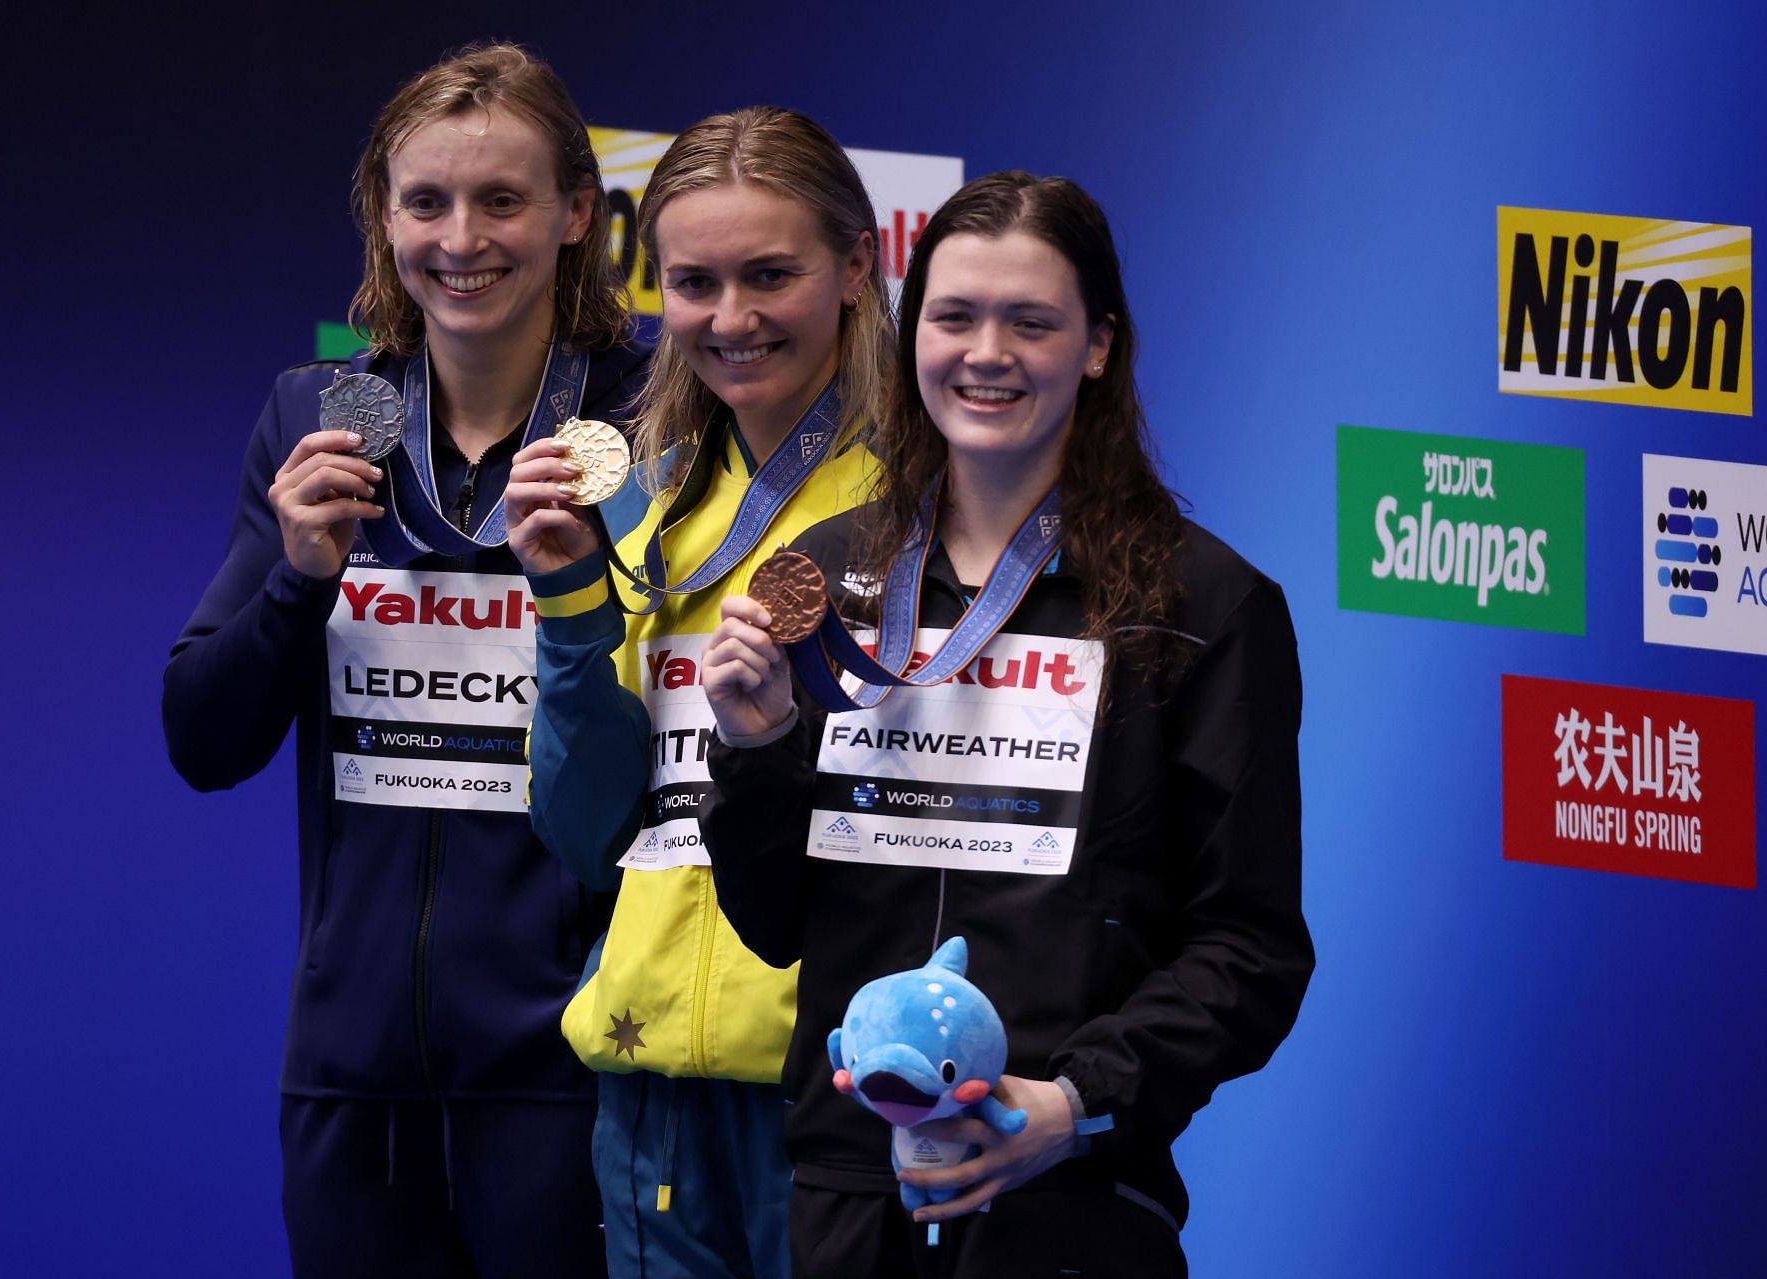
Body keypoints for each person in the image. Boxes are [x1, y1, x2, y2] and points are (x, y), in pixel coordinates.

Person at [696, 171, 1315, 1278]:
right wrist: (750, 748)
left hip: (1067, 1193)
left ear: (1097, 348)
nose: (987, 353)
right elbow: (773, 921)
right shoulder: (828, 578)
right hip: (848, 1187)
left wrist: (1073, 1101)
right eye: (954, 316)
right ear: (909, 333)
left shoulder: (1201, 609)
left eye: (1032, 322)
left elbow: (1251, 948)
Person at [161, 44, 648, 1278]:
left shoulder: (651, 420)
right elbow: (203, 738)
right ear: (385, 213)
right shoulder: (325, 416)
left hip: (576, 1059)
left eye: (502, 199)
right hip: (353, 1073)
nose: (461, 237)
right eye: (425, 200)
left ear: (576, 213)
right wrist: (300, 575)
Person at [502, 107, 893, 1278]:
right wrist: (572, 604)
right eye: (695, 281)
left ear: (857, 266)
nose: (732, 318)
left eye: (770, 275)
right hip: (651, 1060)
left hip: (839, 1078)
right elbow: (584, 832)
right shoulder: (646, 505)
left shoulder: (936, 500)